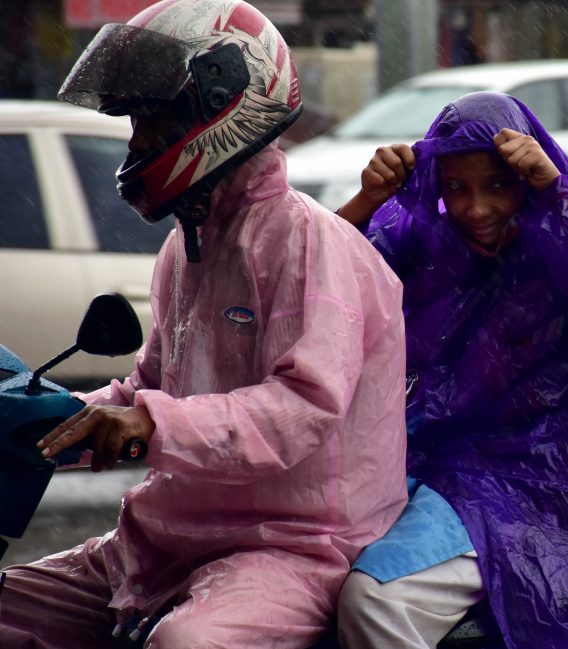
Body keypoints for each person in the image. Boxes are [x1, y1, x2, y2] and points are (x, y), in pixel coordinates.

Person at [0, 1, 408, 647]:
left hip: (290, 548)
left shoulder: (308, 240)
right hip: (166, 538)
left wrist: (150, 423)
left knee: (184, 643)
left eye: (153, 118)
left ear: (223, 104)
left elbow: (299, 408)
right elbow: (148, 390)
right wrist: (40, 422)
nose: (137, 140)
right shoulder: (186, 249)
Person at [332, 91, 568, 649]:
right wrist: (366, 199)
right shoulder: (427, 243)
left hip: (557, 481)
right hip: (443, 463)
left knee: (372, 600)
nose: (476, 209)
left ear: (526, 180)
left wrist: (556, 189)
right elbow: (323, 286)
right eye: (457, 188)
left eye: (497, 184)